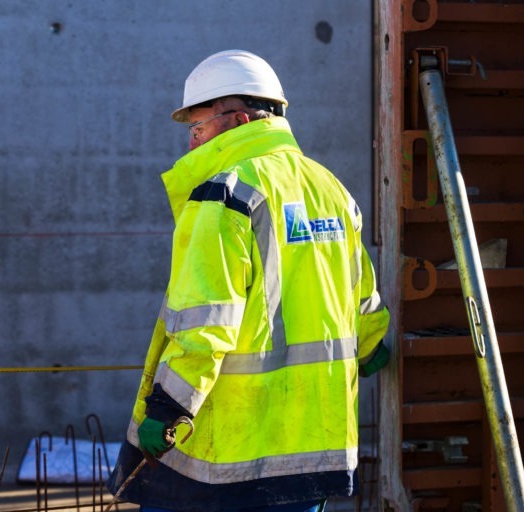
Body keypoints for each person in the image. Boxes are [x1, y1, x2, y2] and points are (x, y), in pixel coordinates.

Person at [106, 49, 390, 512]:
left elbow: (205, 322)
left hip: (233, 455)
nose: (192, 144)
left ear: (237, 120)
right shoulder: (330, 188)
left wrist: (169, 409)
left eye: (197, 129)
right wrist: (372, 343)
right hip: (313, 449)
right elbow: (361, 293)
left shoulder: (226, 193)